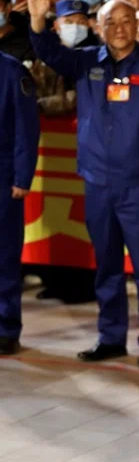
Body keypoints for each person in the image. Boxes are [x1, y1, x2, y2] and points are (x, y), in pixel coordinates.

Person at [28, 0, 139, 369]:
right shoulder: (87, 62)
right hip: (97, 182)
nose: (119, 28)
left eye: (126, 20)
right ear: (99, 27)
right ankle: (110, 337)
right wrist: (37, 19)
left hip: (138, 186)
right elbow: (47, 51)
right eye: (111, 21)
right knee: (106, 266)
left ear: (137, 26)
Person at [0, 52, 40, 355]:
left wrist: (22, 177)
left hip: (3, 178)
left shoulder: (12, 71)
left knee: (4, 255)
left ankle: (6, 327)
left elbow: (26, 128)